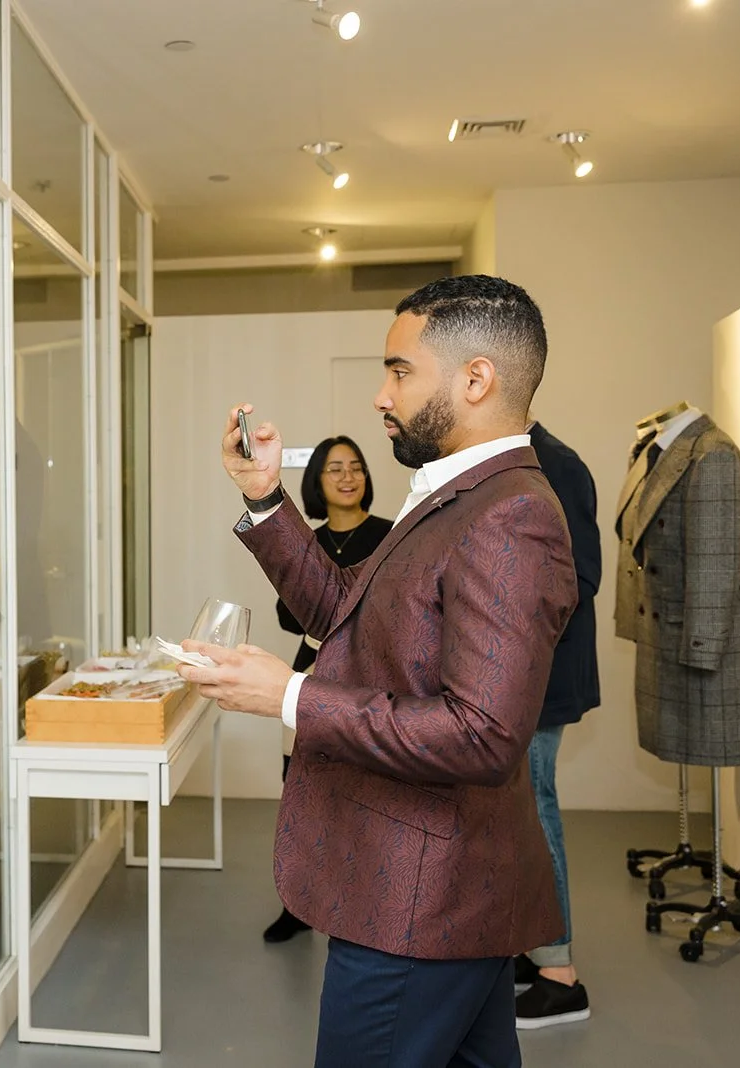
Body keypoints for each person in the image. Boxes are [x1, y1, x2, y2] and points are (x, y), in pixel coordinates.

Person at [178, 275, 577, 1067]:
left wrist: (289, 695)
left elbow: (485, 735)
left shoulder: (511, 514)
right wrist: (266, 500)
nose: (379, 395)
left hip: (420, 905)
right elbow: (345, 618)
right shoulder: (455, 494)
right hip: (443, 898)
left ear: (475, 379)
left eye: (399, 370)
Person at [266, 436, 391, 944]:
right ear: (317, 481)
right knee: (300, 787)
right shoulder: (307, 540)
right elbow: (283, 613)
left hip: (367, 675)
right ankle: (297, 905)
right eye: (334, 469)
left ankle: (367, 901)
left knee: (367, 793)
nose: (347, 477)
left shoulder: (391, 534)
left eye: (356, 467)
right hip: (310, 669)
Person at [512, 420, 600, 1028]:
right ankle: (536, 946)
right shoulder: (518, 460)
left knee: (537, 806)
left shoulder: (556, 465)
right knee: (519, 810)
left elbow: (579, 576)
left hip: (537, 676)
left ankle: (561, 975)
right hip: (514, 675)